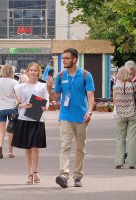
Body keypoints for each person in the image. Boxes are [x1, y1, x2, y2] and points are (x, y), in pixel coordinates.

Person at [47, 48, 95, 188]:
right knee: (65, 145)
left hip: (81, 117)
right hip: (65, 116)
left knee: (80, 148)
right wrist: (49, 89)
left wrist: (90, 111)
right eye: (63, 59)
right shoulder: (61, 76)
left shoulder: (86, 75)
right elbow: (56, 97)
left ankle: (78, 176)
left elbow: (90, 96)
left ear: (74, 59)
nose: (64, 61)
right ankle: (64, 175)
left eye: (66, 58)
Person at [12, 62, 48, 185]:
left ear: (39, 72)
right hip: (24, 119)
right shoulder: (21, 87)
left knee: (35, 146)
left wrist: (45, 107)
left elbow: (46, 101)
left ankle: (35, 171)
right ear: (27, 72)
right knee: (27, 147)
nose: (33, 72)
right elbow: (18, 103)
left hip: (38, 119)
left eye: (35, 70)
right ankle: (29, 174)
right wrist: (23, 105)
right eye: (31, 70)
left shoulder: (43, 86)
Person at [113, 66, 136, 169]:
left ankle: (119, 161)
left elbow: (115, 101)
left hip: (120, 114)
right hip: (133, 113)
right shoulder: (133, 85)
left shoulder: (115, 87)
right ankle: (132, 163)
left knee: (120, 138)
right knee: (132, 138)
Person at [0, 64, 19, 159]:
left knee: (1, 129)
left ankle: (0, 145)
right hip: (12, 107)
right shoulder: (14, 82)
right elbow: (17, 96)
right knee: (11, 131)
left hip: (0, 108)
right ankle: (10, 152)